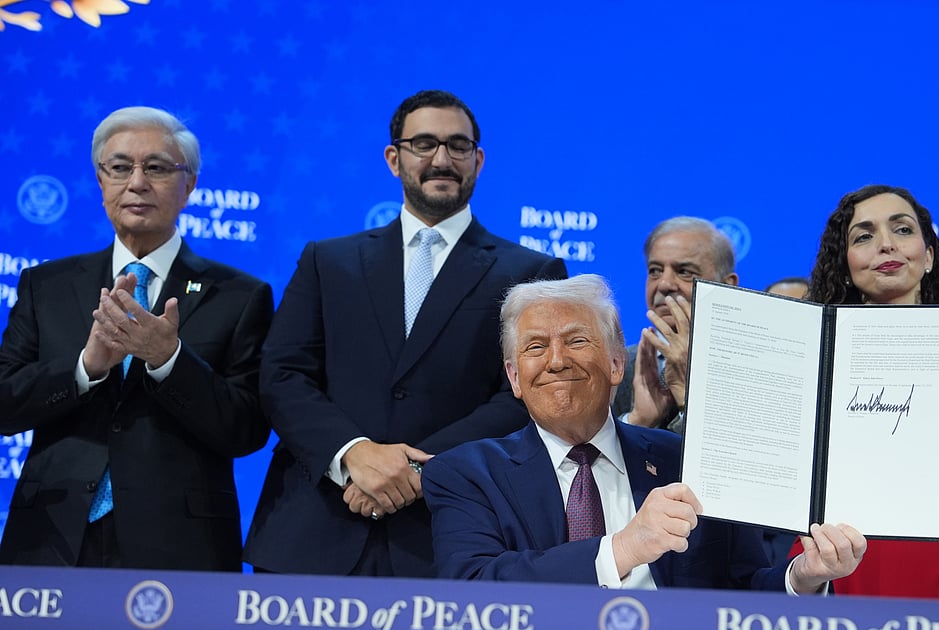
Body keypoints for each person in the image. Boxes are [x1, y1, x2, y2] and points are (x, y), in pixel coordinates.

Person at [244, 90, 566, 577]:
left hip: (451, 536)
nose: (442, 159)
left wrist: (419, 469)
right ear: (394, 158)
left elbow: (525, 394)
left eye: (458, 146)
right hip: (314, 531)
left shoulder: (531, 270)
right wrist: (353, 454)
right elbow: (283, 374)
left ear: (478, 160)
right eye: (424, 144)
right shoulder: (327, 261)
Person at [423, 275, 866, 590]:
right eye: (536, 347)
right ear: (514, 377)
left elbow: (745, 588)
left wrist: (803, 576)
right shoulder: (465, 473)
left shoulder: (690, 462)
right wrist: (623, 548)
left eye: (577, 341)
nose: (557, 360)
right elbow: (472, 588)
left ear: (617, 363)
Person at [0, 106, 274, 570]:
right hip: (51, 535)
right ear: (101, 181)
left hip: (180, 544)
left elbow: (247, 429)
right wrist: (86, 368)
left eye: (158, 168)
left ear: (190, 186)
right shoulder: (44, 285)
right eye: (120, 167)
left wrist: (169, 360)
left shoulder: (240, 295)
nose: (138, 182)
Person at [789, 185, 939, 600]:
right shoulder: (812, 350)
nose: (885, 245)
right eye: (863, 236)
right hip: (833, 561)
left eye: (902, 230)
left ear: (929, 255)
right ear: (845, 266)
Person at [612, 217, 738, 435]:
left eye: (684, 272)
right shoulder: (617, 366)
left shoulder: (746, 370)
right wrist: (637, 422)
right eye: (655, 270)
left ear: (727, 286)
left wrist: (688, 402)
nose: (664, 284)